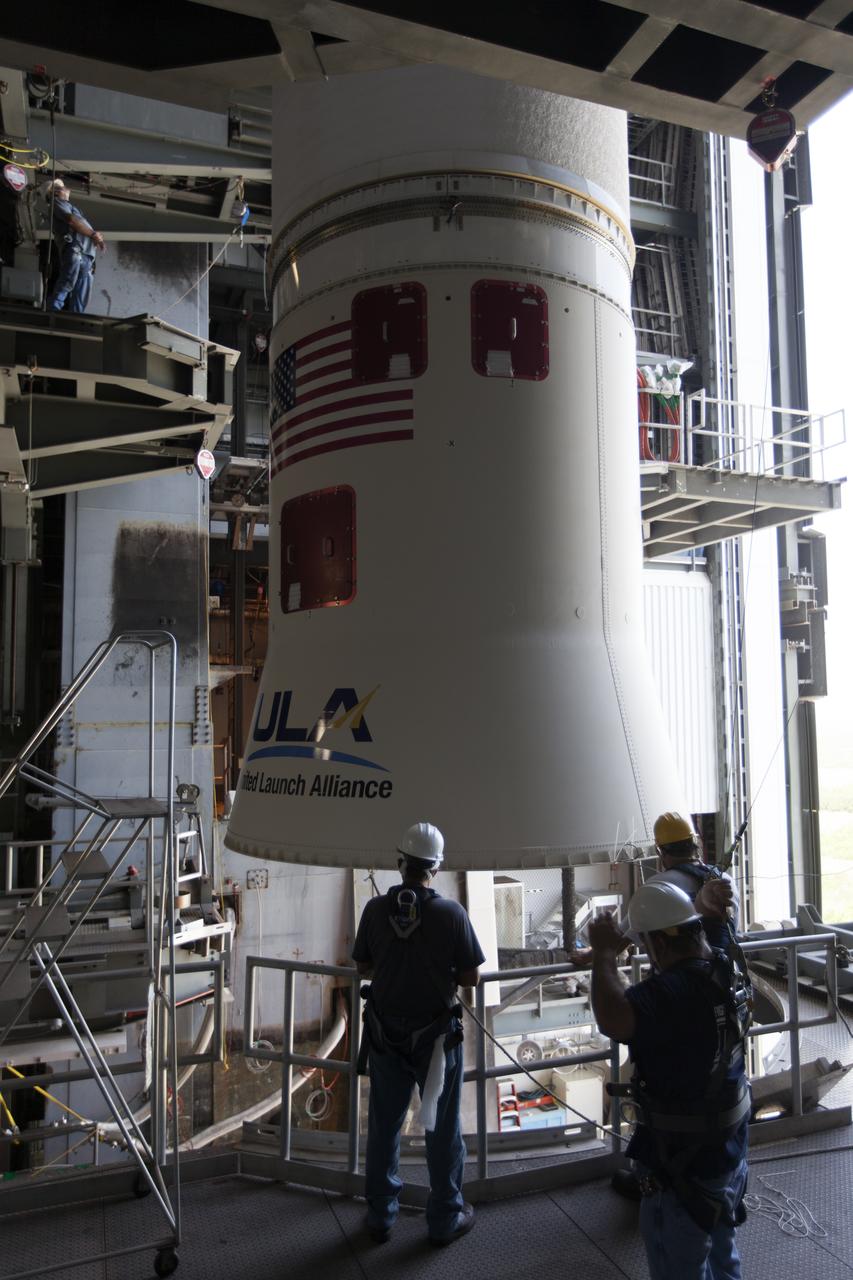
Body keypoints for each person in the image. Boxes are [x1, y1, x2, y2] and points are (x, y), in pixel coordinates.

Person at [589, 881, 751, 1280]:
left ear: (659, 945)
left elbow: (614, 1016)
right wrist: (699, 905)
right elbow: (698, 930)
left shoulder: (669, 993)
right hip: (727, 1150)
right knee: (723, 1257)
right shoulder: (723, 964)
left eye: (645, 946)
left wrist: (605, 954)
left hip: (682, 1166)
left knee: (679, 1266)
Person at [353, 821, 485, 1246]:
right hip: (434, 1043)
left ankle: (379, 1216)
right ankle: (445, 1218)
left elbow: (363, 966)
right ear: (436, 867)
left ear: (400, 863)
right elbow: (471, 977)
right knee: (442, 1129)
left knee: (384, 1126)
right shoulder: (450, 914)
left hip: (385, 1036)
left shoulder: (374, 910)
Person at [45, 179, 105, 313]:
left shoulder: (71, 207)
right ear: (54, 192)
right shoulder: (57, 202)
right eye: (61, 187)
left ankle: (75, 317)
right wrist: (93, 234)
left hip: (85, 255)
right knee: (68, 282)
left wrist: (94, 236)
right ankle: (52, 311)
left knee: (81, 290)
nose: (66, 188)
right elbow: (71, 221)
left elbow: (78, 223)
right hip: (76, 250)